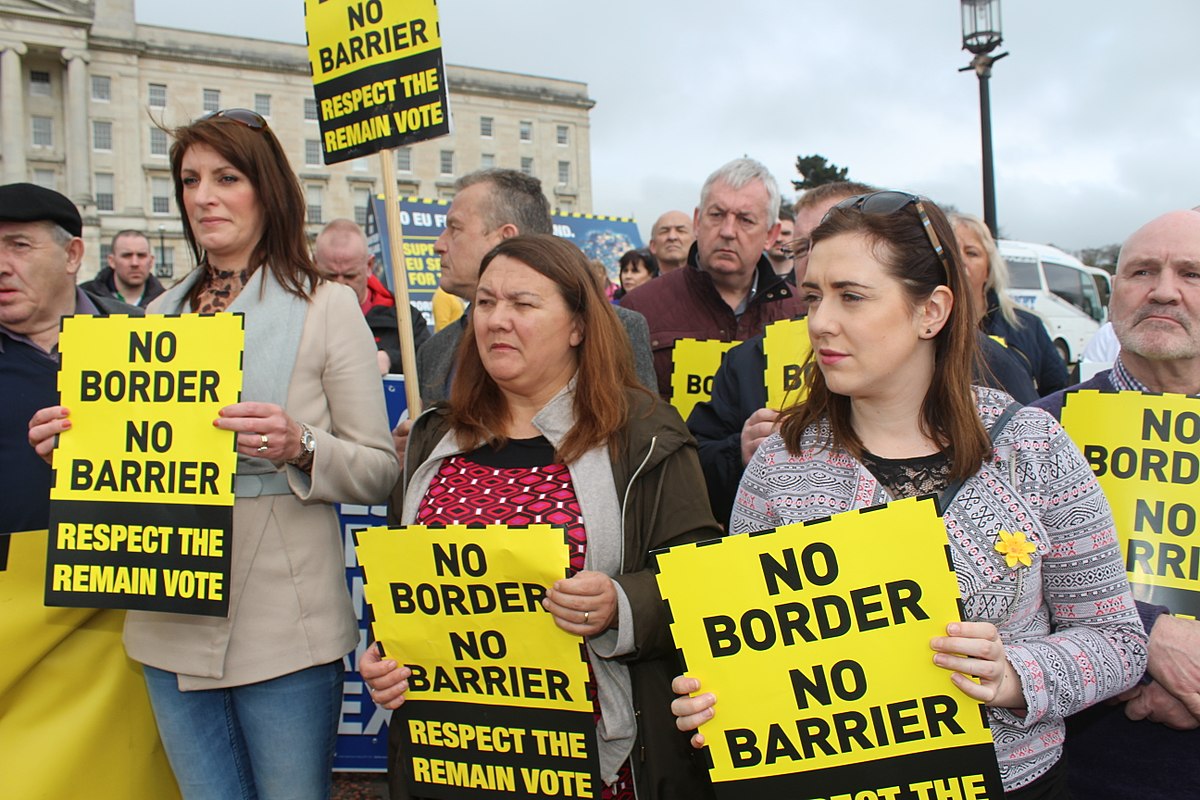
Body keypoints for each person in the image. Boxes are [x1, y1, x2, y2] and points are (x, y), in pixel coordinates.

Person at [670, 191, 1147, 797]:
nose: (819, 321)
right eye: (813, 296)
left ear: (932, 310)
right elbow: (752, 653)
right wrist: (719, 698)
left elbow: (1118, 642)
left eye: (852, 296)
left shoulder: (1031, 447)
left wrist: (1014, 675)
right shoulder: (779, 464)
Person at [28, 108, 400, 800]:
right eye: (191, 179)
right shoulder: (152, 317)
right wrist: (79, 455)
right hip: (168, 610)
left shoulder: (326, 307)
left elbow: (379, 466)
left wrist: (300, 445)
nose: (203, 196)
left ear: (268, 189)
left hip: (284, 625)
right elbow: (135, 463)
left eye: (226, 177)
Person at [364, 234, 722, 800]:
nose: (496, 321)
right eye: (484, 303)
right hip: (452, 760)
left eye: (523, 304)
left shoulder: (644, 433)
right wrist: (386, 656)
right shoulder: (434, 435)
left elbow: (701, 580)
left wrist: (620, 604)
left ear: (579, 325)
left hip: (589, 759)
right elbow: (404, 588)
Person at [1, 183, 178, 798]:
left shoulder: (148, 341)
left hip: (127, 618)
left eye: (18, 245)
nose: (1, 264)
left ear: (73, 254)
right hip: (12, 628)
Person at [1033, 209, 1200, 799]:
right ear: (1111, 296)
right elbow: (994, 598)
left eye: (1191, 273)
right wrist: (1149, 638)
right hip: (1082, 770)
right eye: (1141, 272)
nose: (1162, 290)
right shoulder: (1033, 433)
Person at [411, 168, 655, 406]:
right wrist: (420, 441)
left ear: (505, 238)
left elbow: (642, 437)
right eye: (487, 304)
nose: (438, 244)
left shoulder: (617, 330)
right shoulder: (433, 352)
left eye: (455, 228)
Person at [620, 158, 804, 400]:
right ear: (698, 221)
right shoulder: (639, 310)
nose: (727, 231)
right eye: (717, 215)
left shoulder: (800, 312)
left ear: (771, 235)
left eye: (745, 220)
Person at [951, 213, 1070, 396]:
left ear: (989, 268)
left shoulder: (1028, 327)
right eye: (950, 251)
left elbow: (1058, 394)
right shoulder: (920, 330)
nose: (960, 261)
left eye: (971, 253)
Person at [313, 218, 430, 375]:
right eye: (330, 276)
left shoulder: (404, 318)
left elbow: (430, 362)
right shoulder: (298, 314)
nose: (340, 285)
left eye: (350, 276)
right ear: (314, 265)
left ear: (369, 266)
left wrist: (390, 359)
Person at [80, 229, 166, 308]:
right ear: (112, 261)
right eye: (127, 255)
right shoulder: (84, 298)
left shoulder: (166, 301)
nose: (134, 263)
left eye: (141, 255)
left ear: (151, 261)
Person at [647, 210, 693, 274]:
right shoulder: (645, 284)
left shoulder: (709, 283)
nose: (672, 237)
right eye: (664, 231)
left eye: (681, 231)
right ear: (653, 246)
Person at [766, 203, 795, 279]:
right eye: (773, 234)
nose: (778, 239)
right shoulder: (750, 276)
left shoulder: (806, 273)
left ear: (796, 236)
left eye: (785, 233)